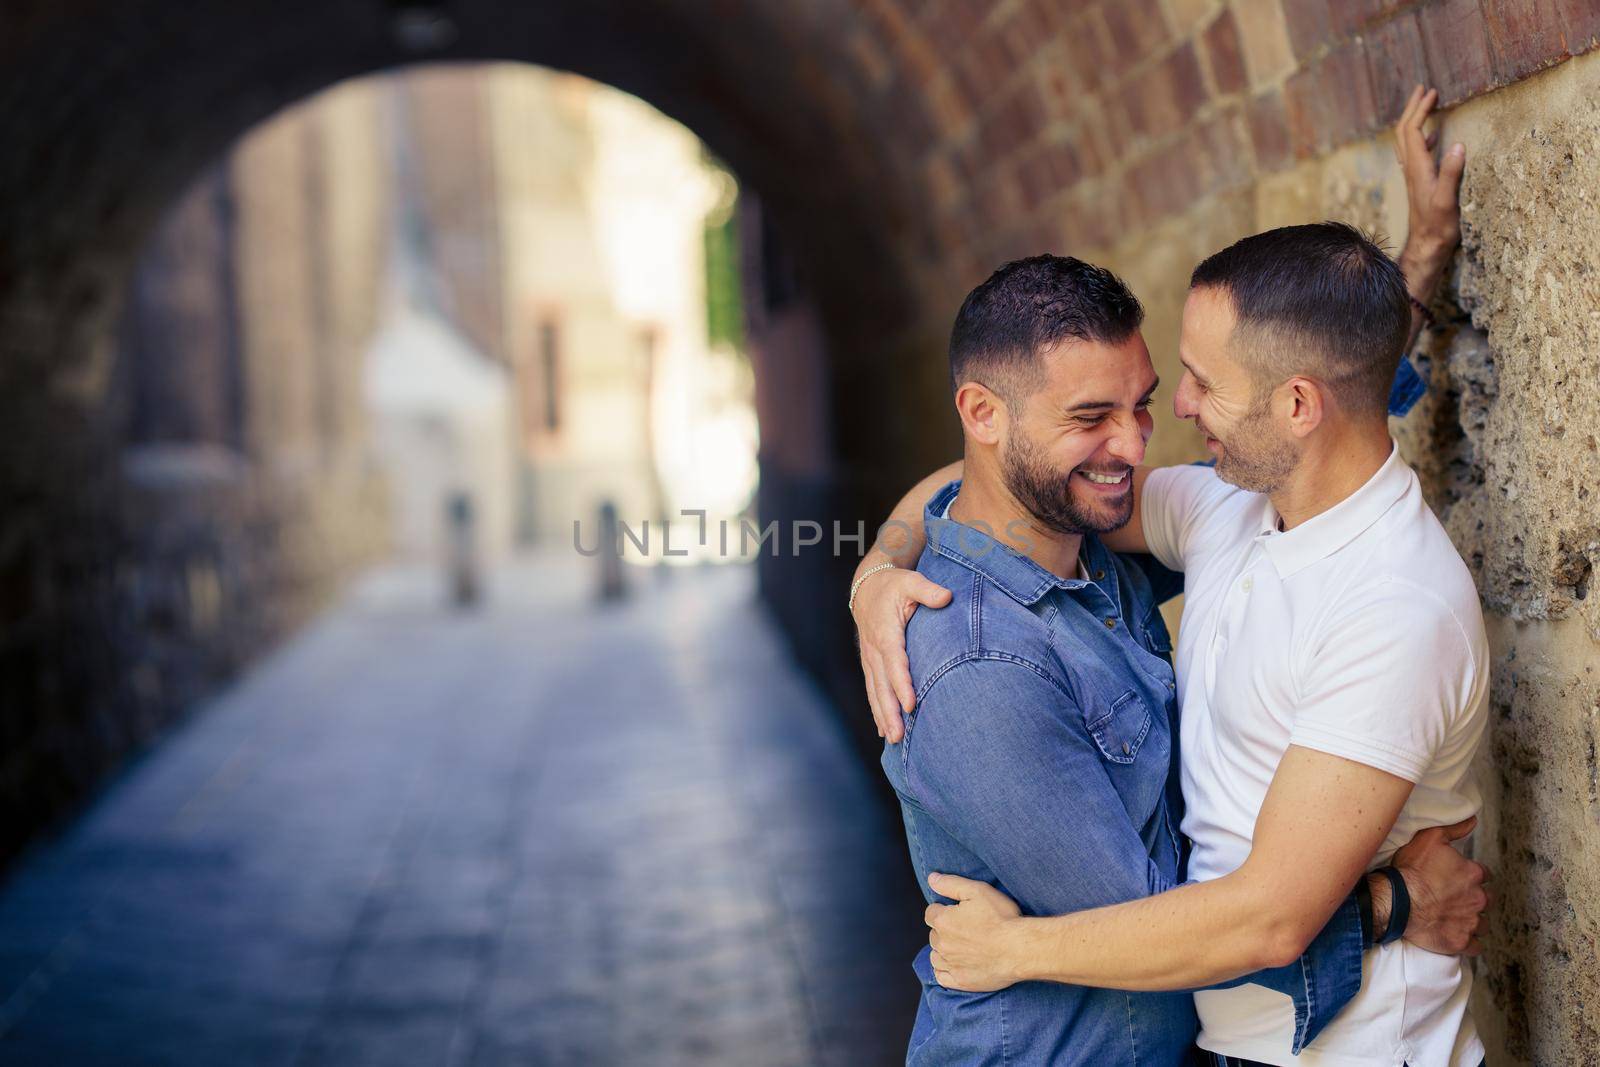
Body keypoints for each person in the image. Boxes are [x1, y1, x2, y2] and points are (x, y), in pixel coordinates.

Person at [852, 88, 1488, 1066]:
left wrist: (1017, 947)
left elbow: (1266, 921)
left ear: (1295, 404)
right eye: (1096, 413)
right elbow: (1000, 483)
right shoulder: (1215, 511)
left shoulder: (1384, 600)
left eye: (1181, 389)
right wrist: (879, 562)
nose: (1166, 423)